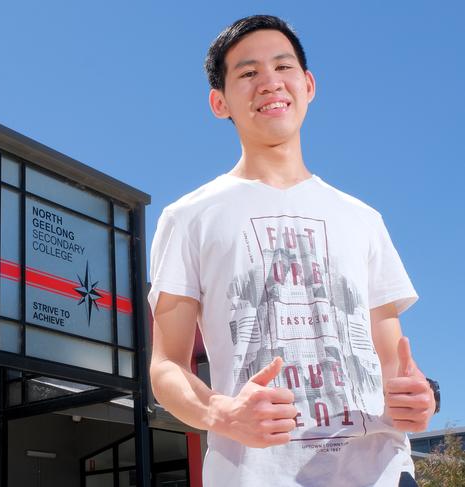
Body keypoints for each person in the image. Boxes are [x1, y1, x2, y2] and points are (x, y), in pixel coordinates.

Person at [148, 15, 437, 487]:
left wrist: (413, 397)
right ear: (219, 102)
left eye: (283, 66)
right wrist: (221, 413)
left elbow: (392, 361)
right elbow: (166, 365)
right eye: (247, 73)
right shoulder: (188, 217)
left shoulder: (364, 218)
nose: (269, 82)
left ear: (307, 84)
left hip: (382, 471)